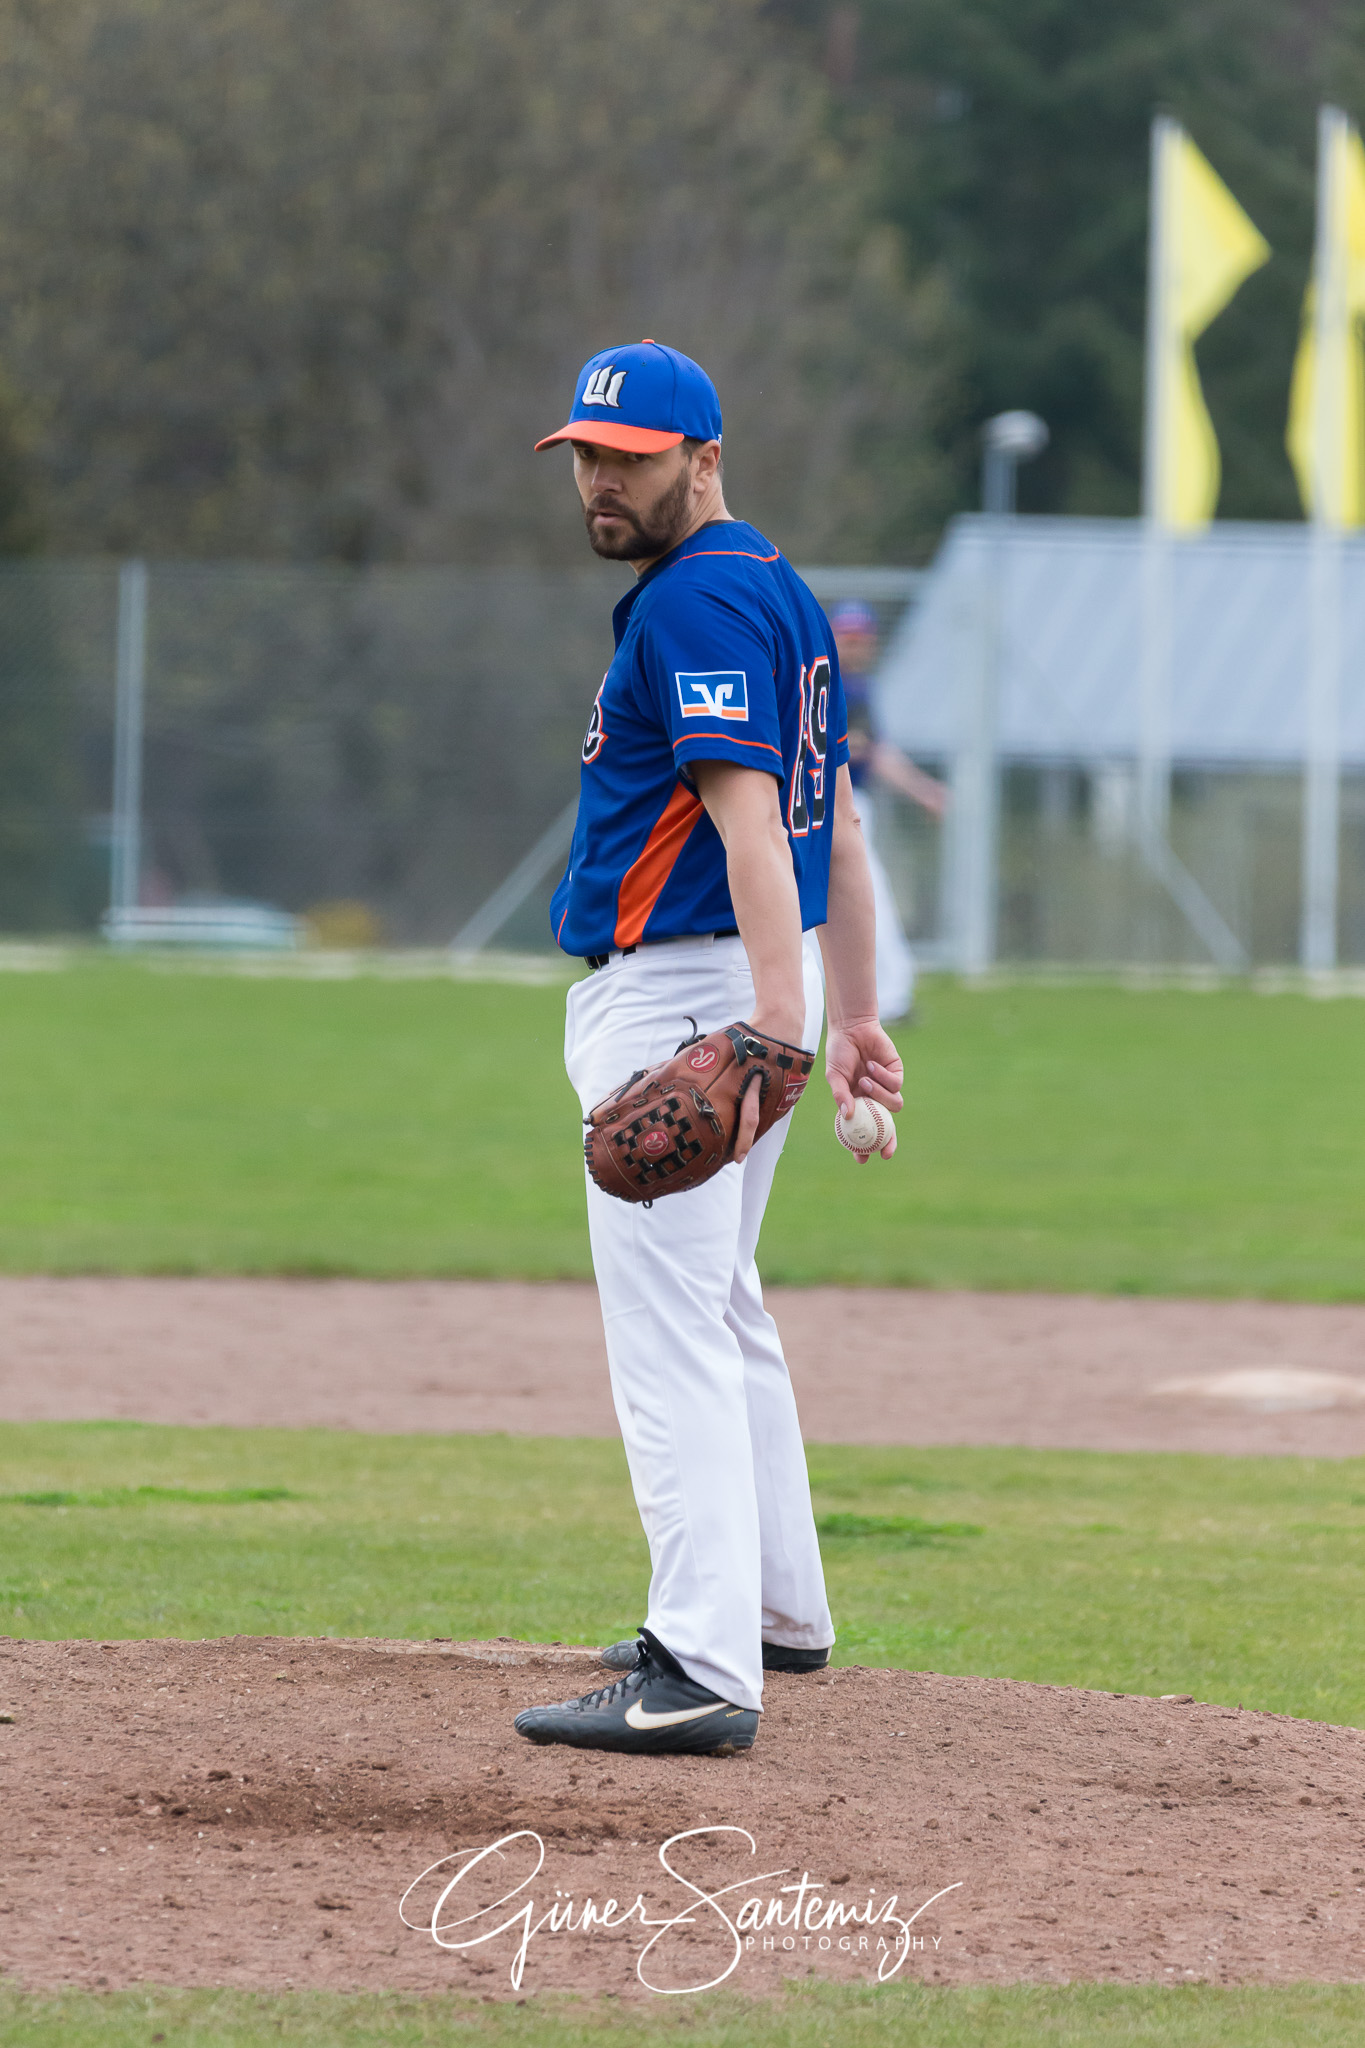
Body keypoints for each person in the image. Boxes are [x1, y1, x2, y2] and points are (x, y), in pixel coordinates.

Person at [513, 340, 903, 1758]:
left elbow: (758, 827)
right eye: (586, 458)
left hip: (689, 999)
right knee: (724, 1304)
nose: (602, 483)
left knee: (667, 1330)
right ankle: (778, 1613)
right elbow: (839, 831)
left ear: (705, 456)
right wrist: (852, 1020)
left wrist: (779, 1038)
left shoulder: (692, 605)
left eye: (630, 456)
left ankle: (698, 1666)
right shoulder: (782, 596)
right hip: (745, 988)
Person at [828, 600, 948, 1024]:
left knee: (852, 902)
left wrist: (923, 790)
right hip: (832, 807)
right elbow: (866, 753)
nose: (855, 644)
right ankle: (891, 997)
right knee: (865, 900)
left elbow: (874, 752)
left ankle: (885, 997)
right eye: (847, 635)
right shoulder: (836, 685)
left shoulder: (856, 687)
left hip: (846, 806)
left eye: (861, 636)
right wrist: (923, 790)